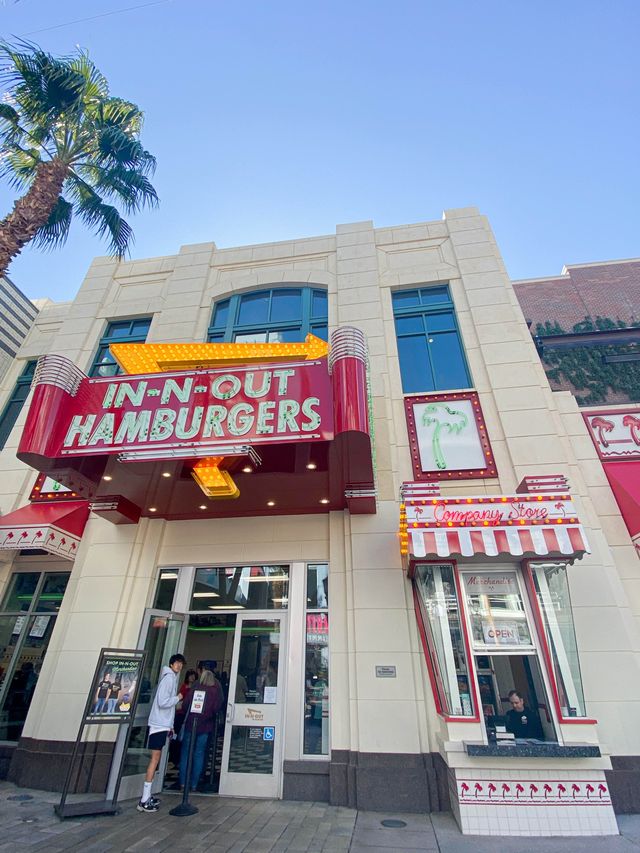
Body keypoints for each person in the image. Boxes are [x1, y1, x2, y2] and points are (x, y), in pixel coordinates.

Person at [137, 653, 186, 813]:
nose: (179, 666)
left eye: (181, 664)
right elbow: (163, 702)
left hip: (162, 724)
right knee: (155, 759)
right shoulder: (168, 679)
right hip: (158, 725)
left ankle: (147, 795)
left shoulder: (169, 678)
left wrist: (170, 725)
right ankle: (144, 799)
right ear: (171, 664)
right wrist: (178, 698)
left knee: (156, 759)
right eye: (177, 663)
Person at [178, 669, 224, 792]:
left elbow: (185, 705)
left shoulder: (195, 688)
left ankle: (183, 783)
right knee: (199, 754)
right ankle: (194, 784)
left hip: (190, 724)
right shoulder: (215, 691)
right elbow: (216, 708)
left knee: (186, 754)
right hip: (205, 727)